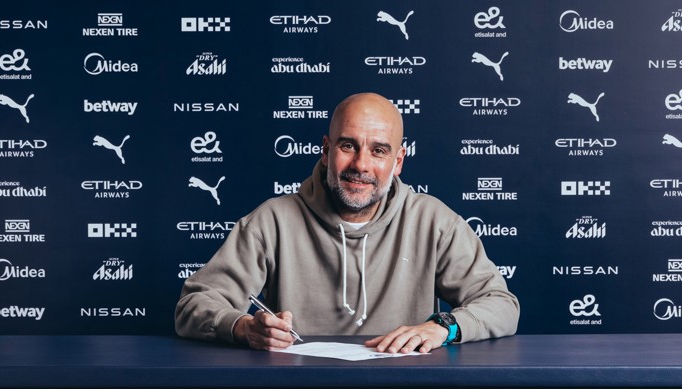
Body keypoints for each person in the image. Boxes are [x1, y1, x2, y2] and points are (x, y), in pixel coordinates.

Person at [175, 92, 519, 353]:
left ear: (398, 161)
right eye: (347, 146)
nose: (361, 164)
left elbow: (502, 305)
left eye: (379, 151)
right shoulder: (273, 221)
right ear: (326, 151)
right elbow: (194, 305)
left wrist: (444, 327)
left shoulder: (434, 222)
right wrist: (244, 327)